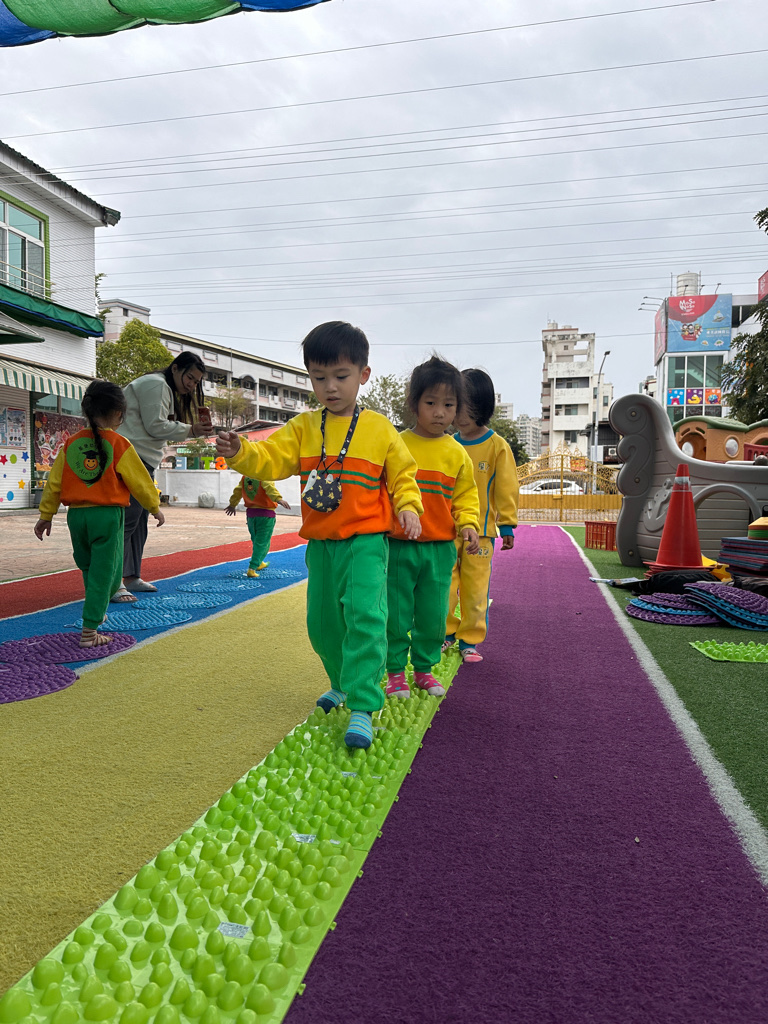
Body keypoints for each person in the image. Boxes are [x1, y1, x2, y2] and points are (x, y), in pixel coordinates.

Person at [216, 321, 423, 750]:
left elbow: (403, 474)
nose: (330, 387)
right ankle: (342, 682)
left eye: (341, 376)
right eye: (319, 377)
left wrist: (408, 506)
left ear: (363, 375)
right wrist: (240, 452)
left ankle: (363, 703)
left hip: (366, 541)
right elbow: (271, 458)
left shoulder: (380, 429)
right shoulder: (304, 427)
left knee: (365, 617)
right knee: (323, 625)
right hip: (322, 544)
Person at [33, 380, 164, 648]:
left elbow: (54, 483)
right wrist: (154, 506)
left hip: (76, 517)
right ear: (118, 413)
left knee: (89, 567)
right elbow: (140, 481)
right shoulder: (119, 443)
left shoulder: (70, 444)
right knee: (108, 573)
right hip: (107, 516)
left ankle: (96, 608)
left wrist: (46, 515)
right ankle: (90, 631)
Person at [386, 356, 480, 700]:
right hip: (398, 546)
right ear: (414, 404)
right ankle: (395, 671)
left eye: (448, 405)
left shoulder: (457, 453)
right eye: (430, 403)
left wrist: (468, 524)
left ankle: (424, 669)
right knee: (396, 615)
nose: (440, 412)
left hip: (440, 549)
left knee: (434, 614)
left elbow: (466, 496)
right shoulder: (396, 444)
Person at [113, 352, 209, 602]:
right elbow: (155, 425)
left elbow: (154, 426)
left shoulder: (161, 387)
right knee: (128, 521)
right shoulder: (156, 384)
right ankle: (112, 581)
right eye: (190, 377)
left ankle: (130, 576)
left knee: (138, 521)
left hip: (140, 458)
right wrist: (191, 429)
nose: (192, 384)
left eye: (196, 381)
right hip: (131, 457)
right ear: (175, 368)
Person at [444, 368, 519, 663]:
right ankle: (445, 634)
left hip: (483, 533)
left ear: (483, 407)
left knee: (475, 589)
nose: (461, 415)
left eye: (468, 407)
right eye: (456, 406)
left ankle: (470, 639)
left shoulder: (497, 446)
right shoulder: (448, 444)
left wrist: (507, 524)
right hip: (447, 531)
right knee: (444, 585)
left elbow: (506, 488)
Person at [225, 477, 291, 576]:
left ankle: (259, 563)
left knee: (256, 540)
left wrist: (232, 504)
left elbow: (238, 491)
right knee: (263, 543)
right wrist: (278, 499)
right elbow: (269, 487)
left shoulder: (245, 477)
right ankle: (252, 568)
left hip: (251, 516)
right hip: (266, 515)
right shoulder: (263, 475)